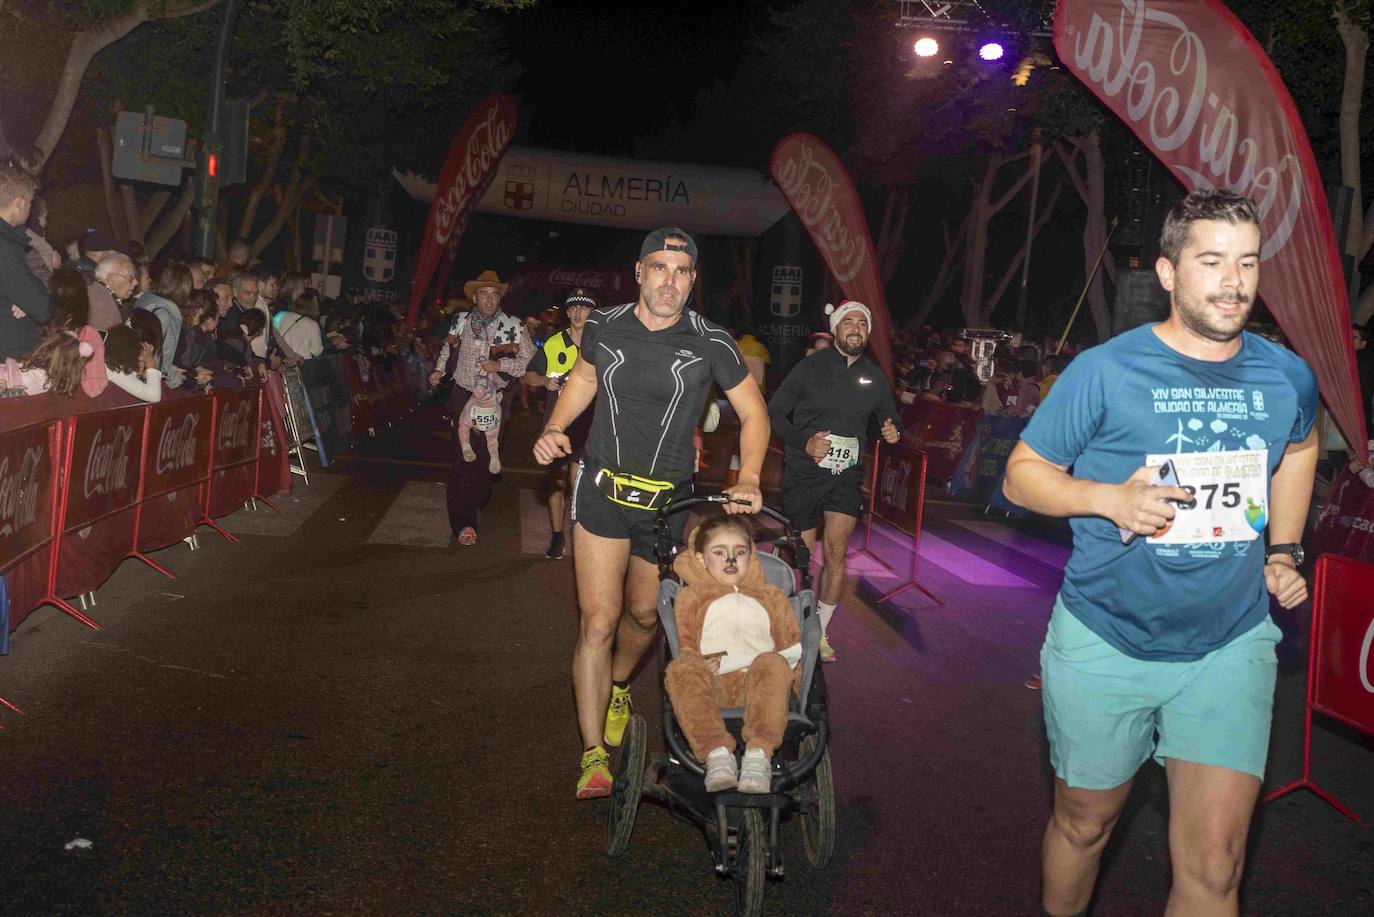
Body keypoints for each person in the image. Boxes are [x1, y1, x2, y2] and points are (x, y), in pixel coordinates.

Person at [1002, 190, 1318, 917]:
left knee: (1214, 867)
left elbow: (1301, 448)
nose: (1233, 281)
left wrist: (1284, 547)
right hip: (1105, 636)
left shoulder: (1286, 375)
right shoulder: (1106, 369)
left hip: (1227, 643)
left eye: (1246, 262)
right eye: (1212, 261)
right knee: (1086, 823)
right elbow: (1023, 473)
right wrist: (1107, 499)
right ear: (1169, 272)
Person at [531, 227, 768, 799]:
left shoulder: (712, 340)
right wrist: (554, 427)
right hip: (603, 494)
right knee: (598, 620)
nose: (671, 281)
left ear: (693, 280)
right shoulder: (605, 327)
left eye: (682, 271)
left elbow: (755, 414)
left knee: (642, 618)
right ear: (639, 273)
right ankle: (592, 755)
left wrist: (752, 477)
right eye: (660, 268)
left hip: (667, 505)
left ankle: (618, 684)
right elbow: (584, 378)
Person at [767, 300, 901, 662]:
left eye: (862, 322)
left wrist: (892, 429)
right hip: (804, 471)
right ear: (837, 328)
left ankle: (820, 631)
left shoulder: (874, 375)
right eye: (848, 322)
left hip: (845, 475)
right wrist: (803, 442)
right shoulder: (810, 367)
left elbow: (889, 415)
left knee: (838, 552)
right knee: (801, 555)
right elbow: (775, 412)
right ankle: (784, 625)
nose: (855, 327)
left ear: (867, 332)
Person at [663, 513, 801, 794]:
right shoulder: (692, 597)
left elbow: (791, 647)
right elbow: (686, 645)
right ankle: (716, 755)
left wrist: (797, 689)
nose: (731, 560)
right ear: (700, 558)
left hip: (762, 683)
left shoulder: (772, 597)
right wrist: (697, 662)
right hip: (715, 685)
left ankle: (758, 756)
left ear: (751, 556)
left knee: (773, 661)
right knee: (680, 669)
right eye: (719, 552)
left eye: (739, 552)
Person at [429, 270, 534, 545]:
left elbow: (530, 362)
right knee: (462, 459)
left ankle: (476, 499)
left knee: (487, 463)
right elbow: (446, 350)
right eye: (484, 294)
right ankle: (464, 522)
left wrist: (501, 365)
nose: (489, 300)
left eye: (494, 295)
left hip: (495, 400)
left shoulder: (514, 325)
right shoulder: (460, 320)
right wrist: (438, 371)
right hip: (462, 396)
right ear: (475, 297)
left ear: (500, 298)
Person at [524, 288, 596, 560]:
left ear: (592, 312)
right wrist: (545, 381)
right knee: (557, 483)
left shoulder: (600, 344)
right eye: (573, 308)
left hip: (589, 425)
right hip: (558, 424)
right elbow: (529, 375)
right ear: (567, 313)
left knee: (581, 488)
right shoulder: (554, 343)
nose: (578, 313)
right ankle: (557, 536)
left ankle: (582, 538)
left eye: (584, 308)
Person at [0, 164, 53, 361]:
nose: (31, 209)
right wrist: (29, 294)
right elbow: (42, 308)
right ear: (20, 203)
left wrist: (21, 296)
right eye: (31, 203)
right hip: (7, 358)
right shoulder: (4, 246)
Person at [103, 323, 163, 403]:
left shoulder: (108, 362)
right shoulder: (115, 370)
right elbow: (154, 396)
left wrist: (137, 373)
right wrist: (150, 361)